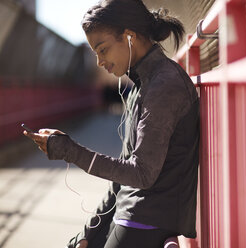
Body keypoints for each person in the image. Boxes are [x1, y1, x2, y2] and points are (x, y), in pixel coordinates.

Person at [23, 0, 200, 247]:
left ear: (129, 36)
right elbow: (124, 175)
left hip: (147, 222)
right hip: (131, 215)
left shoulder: (164, 86)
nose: (99, 62)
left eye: (103, 50)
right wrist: (90, 233)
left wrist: (70, 151)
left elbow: (141, 174)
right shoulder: (142, 85)